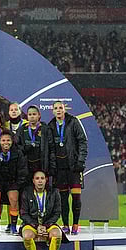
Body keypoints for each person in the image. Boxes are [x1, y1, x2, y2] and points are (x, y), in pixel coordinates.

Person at [48, 101, 88, 235]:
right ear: (52, 111)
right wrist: (52, 166)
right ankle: (65, 224)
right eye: (56, 108)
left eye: (60, 108)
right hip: (60, 169)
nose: (58, 110)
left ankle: (75, 224)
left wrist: (80, 161)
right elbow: (50, 148)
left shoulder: (73, 122)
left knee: (76, 198)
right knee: (63, 199)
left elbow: (82, 141)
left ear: (64, 109)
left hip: (74, 168)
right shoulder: (51, 126)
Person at [20, 171, 62, 250]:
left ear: (46, 180)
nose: (40, 181)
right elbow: (23, 214)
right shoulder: (26, 193)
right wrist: (36, 226)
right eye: (37, 178)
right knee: (27, 235)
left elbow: (57, 213)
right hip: (32, 224)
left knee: (57, 234)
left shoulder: (54, 192)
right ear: (33, 181)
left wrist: (46, 225)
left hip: (48, 224)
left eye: (42, 178)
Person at [0, 130, 27, 235]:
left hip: (12, 181)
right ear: (0, 141)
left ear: (12, 141)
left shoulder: (18, 152)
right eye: (3, 140)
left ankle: (13, 227)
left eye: (8, 140)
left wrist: (18, 184)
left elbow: (22, 169)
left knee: (14, 199)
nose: (6, 143)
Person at [16, 105, 56, 183]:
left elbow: (51, 148)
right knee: (28, 190)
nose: (32, 116)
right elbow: (16, 146)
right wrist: (24, 148)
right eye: (30, 115)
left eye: (34, 114)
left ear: (39, 115)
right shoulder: (22, 129)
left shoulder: (46, 129)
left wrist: (52, 166)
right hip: (27, 166)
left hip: (42, 165)